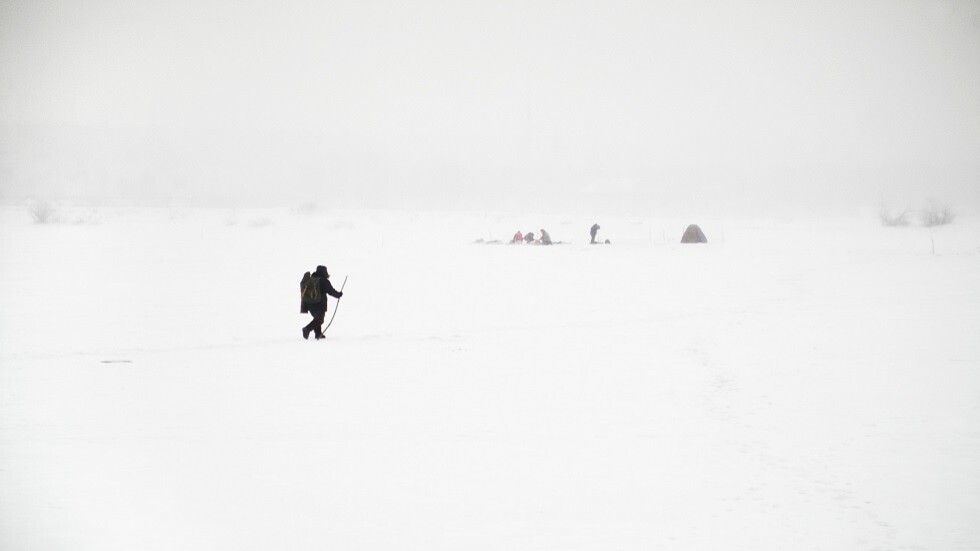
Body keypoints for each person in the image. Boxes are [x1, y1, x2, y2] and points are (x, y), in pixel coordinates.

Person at [302, 265, 343, 340]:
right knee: (320, 319)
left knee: (317, 318)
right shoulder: (323, 280)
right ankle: (307, 329)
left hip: (309, 304)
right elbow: (331, 291)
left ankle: (318, 333)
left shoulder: (311, 279)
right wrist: (338, 295)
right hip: (319, 304)